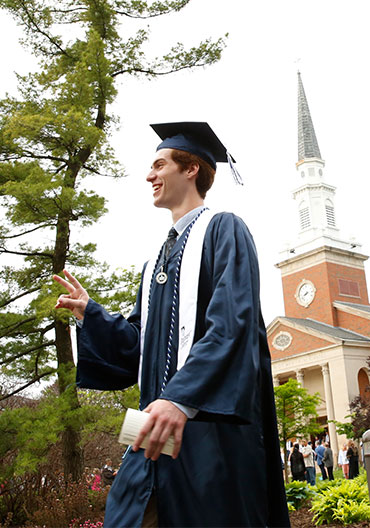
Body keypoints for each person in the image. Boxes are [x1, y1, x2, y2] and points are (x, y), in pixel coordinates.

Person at [52, 122, 288, 527]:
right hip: (151, 434)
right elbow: (137, 351)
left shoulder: (223, 230)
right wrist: (93, 315)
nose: (149, 175)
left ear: (191, 169)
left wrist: (180, 398)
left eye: (159, 165)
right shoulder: (154, 264)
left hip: (208, 437)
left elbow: (234, 323)